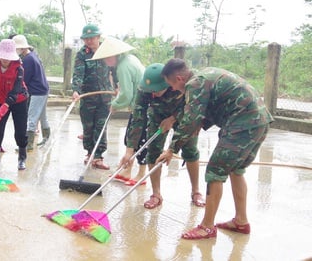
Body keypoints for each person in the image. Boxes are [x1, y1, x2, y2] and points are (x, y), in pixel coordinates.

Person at [157, 58, 273, 240]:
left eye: (171, 85)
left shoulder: (195, 84)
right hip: (259, 121)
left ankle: (207, 226)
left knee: (214, 172)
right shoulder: (205, 75)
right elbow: (209, 108)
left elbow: (191, 119)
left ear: (179, 79)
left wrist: (171, 149)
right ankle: (241, 221)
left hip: (242, 124)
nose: (173, 89)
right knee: (236, 170)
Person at [118, 63, 205, 209]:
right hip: (157, 116)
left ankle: (196, 191)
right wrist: (129, 151)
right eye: (151, 91)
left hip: (184, 115)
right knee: (153, 151)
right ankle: (156, 194)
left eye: (158, 90)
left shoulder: (183, 83)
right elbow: (138, 118)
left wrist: (172, 119)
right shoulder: (143, 89)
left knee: (190, 150)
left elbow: (193, 107)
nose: (155, 94)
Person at [90, 36, 146, 183]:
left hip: (143, 106)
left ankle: (141, 175)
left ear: (116, 55)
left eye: (108, 58)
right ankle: (126, 171)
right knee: (130, 138)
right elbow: (128, 89)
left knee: (139, 140)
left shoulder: (123, 66)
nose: (106, 61)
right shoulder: (130, 59)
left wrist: (114, 104)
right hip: (140, 105)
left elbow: (127, 95)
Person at [71, 24, 115, 170]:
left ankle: (98, 157)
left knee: (101, 127)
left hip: (105, 97)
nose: (89, 41)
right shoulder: (82, 54)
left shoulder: (107, 51)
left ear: (98, 37)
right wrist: (76, 90)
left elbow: (114, 69)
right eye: (86, 39)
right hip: (88, 97)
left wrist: (118, 86)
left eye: (91, 38)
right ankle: (90, 153)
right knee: (88, 128)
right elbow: (78, 74)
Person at [0, 39, 29, 173]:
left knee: (20, 132)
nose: (5, 60)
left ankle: (22, 158)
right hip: (0, 98)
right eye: (3, 56)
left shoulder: (19, 69)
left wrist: (1, 112)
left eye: (8, 57)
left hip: (18, 100)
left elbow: (14, 93)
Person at [12, 34, 50, 150]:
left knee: (32, 117)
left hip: (37, 91)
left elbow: (24, 79)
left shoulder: (27, 60)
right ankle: (46, 138)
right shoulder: (33, 56)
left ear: (22, 48)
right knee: (43, 116)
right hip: (43, 90)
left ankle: (28, 144)